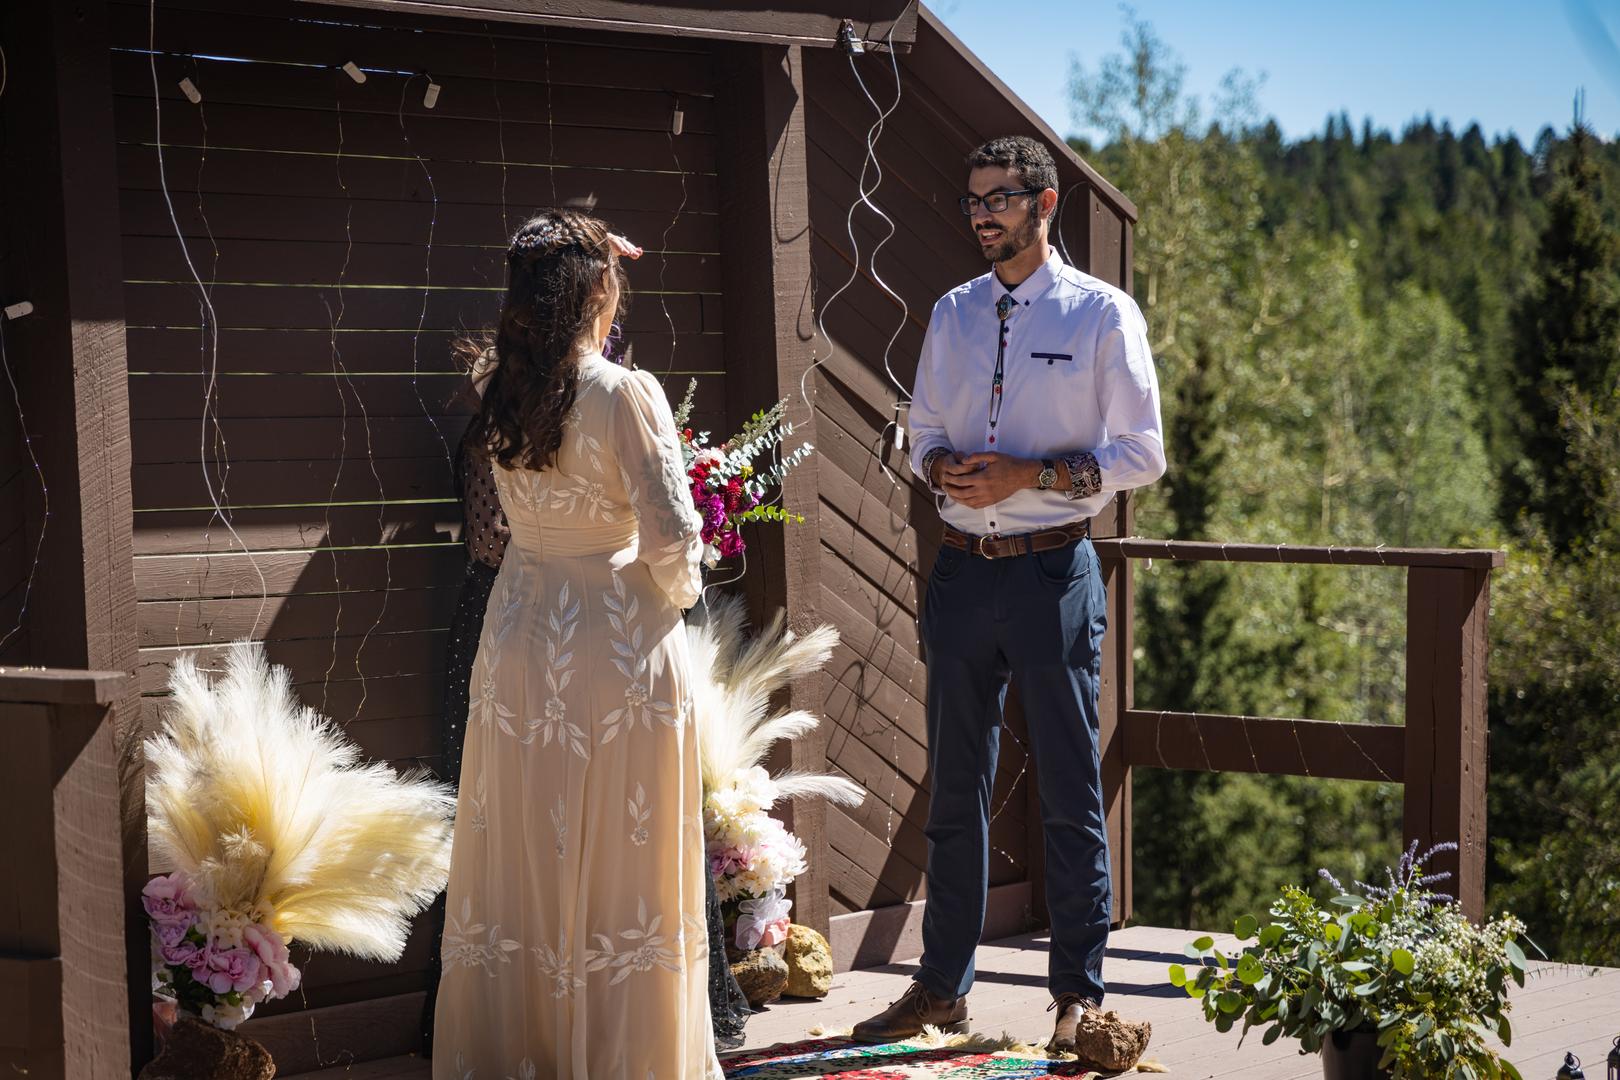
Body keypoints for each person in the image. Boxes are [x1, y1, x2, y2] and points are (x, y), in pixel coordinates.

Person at [852, 135, 1165, 1054]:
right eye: (974, 200)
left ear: (1045, 202)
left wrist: (1032, 473)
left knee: (1070, 792)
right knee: (955, 793)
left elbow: (1142, 453)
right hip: (959, 573)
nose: (983, 214)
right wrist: (938, 464)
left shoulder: (1101, 314)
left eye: (1000, 198)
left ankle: (1078, 1000)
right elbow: (921, 432)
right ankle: (941, 991)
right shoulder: (951, 312)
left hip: (1052, 575)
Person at [432, 208, 722, 1079]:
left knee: (525, 841)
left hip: (519, 630)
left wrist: (574, 243)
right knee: (624, 856)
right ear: (601, 288)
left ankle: (524, 1049)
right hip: (614, 641)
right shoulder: (625, 393)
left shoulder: (497, 384)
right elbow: (673, 539)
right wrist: (680, 594)